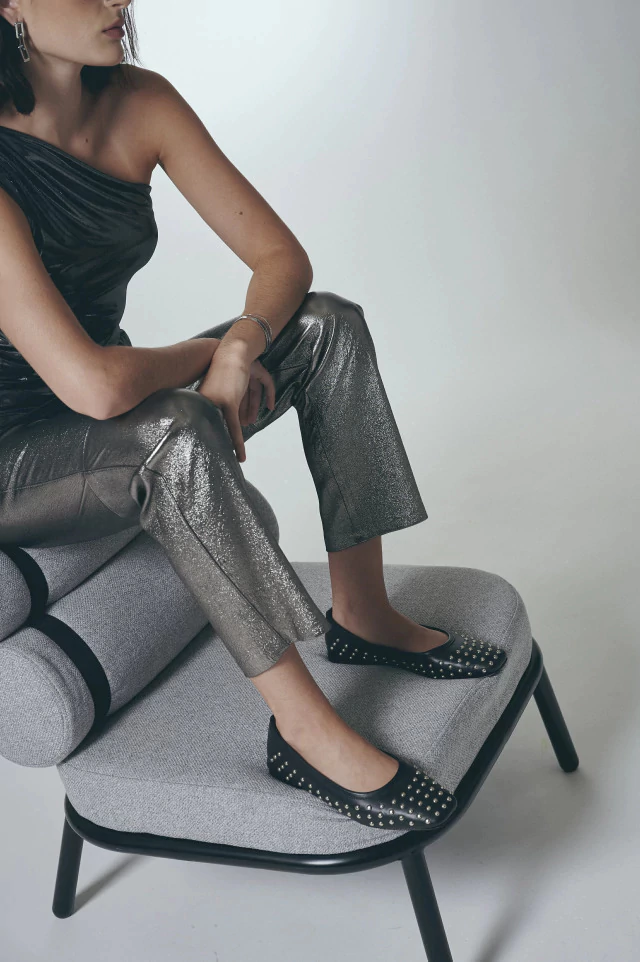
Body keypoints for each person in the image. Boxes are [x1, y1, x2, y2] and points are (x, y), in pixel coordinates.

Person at [0, 0, 506, 832]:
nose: (118, 1)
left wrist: (244, 343)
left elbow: (281, 258)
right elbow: (91, 387)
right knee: (170, 436)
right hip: (17, 454)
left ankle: (364, 614)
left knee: (327, 324)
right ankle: (304, 733)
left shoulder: (140, 101)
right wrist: (210, 353)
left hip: (104, 416)